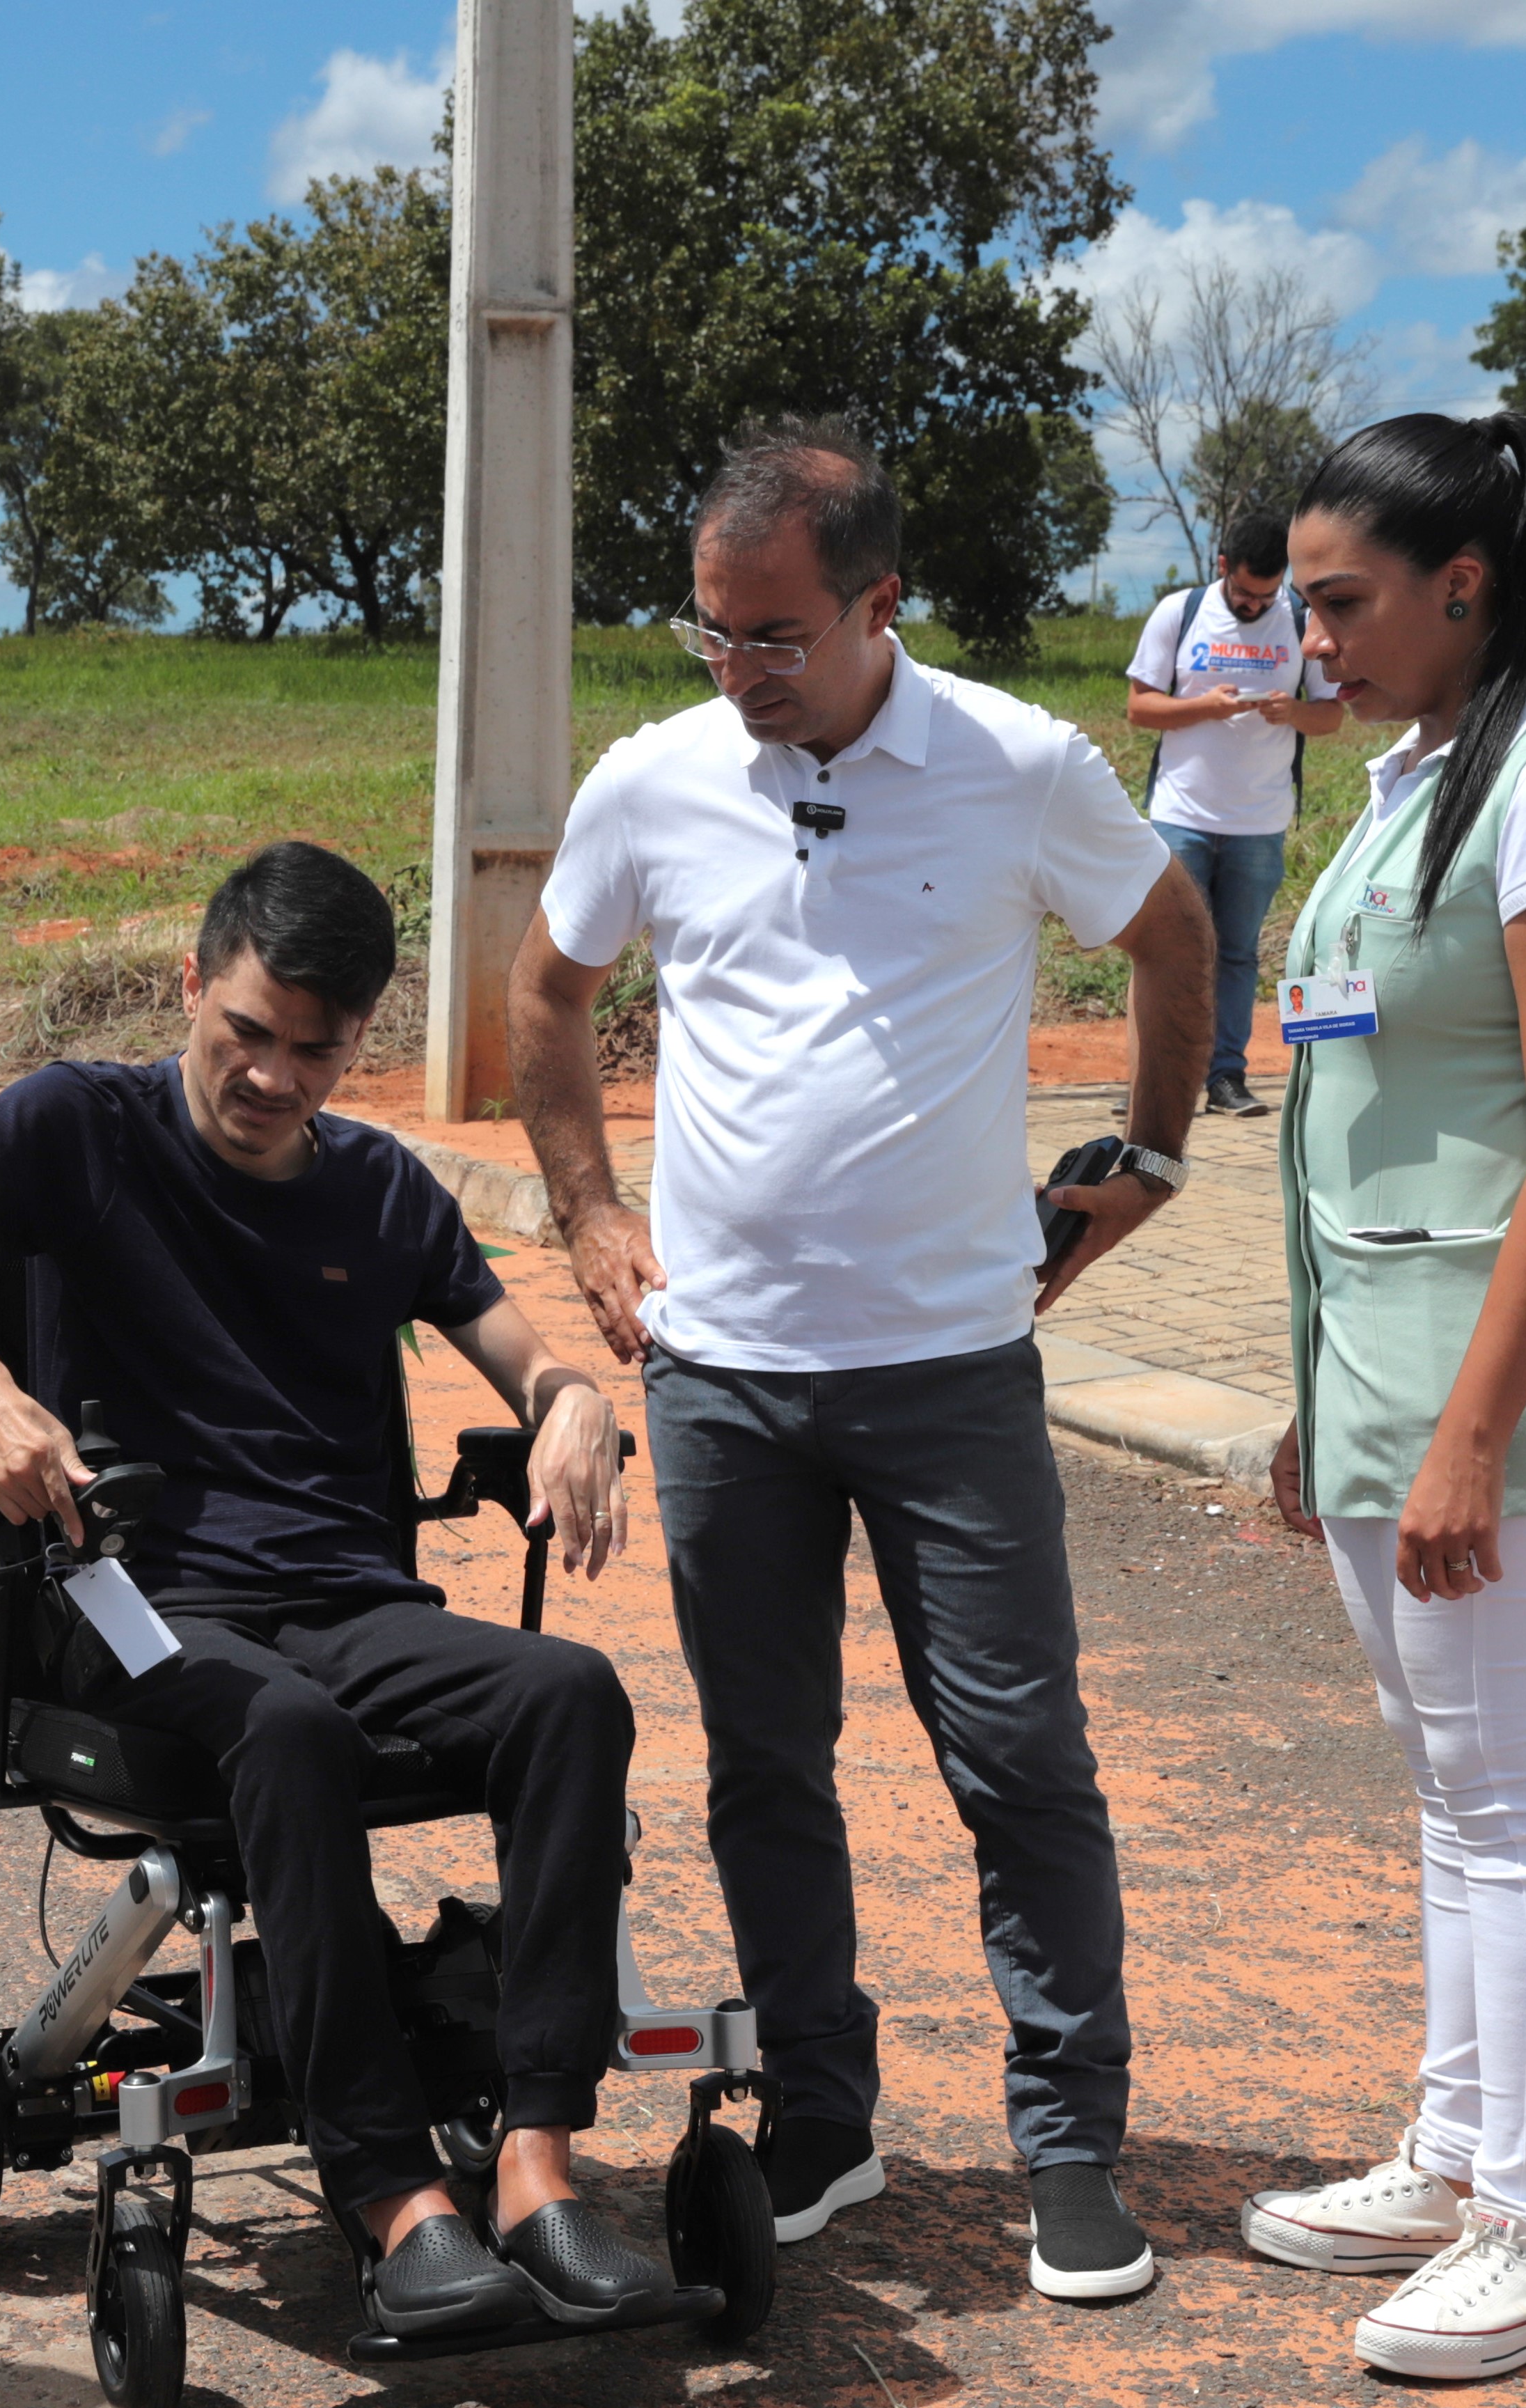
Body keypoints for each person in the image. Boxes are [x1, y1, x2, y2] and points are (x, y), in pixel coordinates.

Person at [509, 417, 1213, 2305]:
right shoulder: (655, 781)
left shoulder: (1015, 764)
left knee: (1017, 1755)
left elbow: (1170, 933)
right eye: (708, 635)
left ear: (880, 606)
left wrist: (1143, 1160)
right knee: (765, 1764)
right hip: (721, 1372)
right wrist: (586, 1211)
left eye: (772, 637)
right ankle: (822, 2109)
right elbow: (547, 994)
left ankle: (1068, 2138)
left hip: (950, 1366)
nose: (735, 675)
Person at [0, 844, 677, 2338]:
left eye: (315, 1049)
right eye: (244, 1034)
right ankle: (390, 2196)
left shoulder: (376, 1187)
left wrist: (568, 1402)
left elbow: (521, 1349)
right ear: (189, 985)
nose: (274, 1078)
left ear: (360, 1036)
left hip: (348, 1603)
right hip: (126, 1604)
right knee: (283, 1730)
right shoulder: (76, 1124)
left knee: (569, 1696)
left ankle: (536, 2162)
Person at [1238, 410, 1526, 2383]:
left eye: (1340, 602)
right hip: (1384, 1362)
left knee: (1520, 1799)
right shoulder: (1426, 765)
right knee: (1454, 1792)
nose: (1305, 635)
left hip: (1496, 1378)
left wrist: (1474, 1432)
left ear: (1464, 584)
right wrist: (1321, 1394)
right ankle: (1453, 2148)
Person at [1126, 504, 1348, 1119]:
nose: (1255, 607)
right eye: (1246, 595)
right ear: (1222, 567)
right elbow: (1140, 709)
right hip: (1181, 814)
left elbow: (1331, 714)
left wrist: (1293, 712)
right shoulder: (1181, 611)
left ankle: (1226, 1078)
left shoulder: (1301, 621)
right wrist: (1206, 707)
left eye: (1267, 596)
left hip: (1259, 821)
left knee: (1238, 953)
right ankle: (1153, 1082)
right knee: (1167, 949)